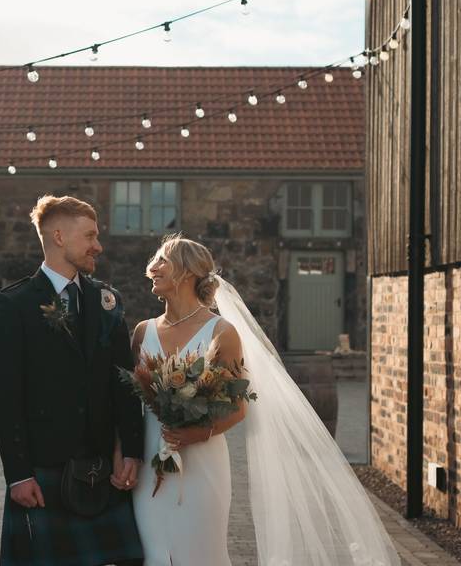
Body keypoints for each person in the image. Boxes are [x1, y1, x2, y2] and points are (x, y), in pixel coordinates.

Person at [131, 234, 400, 566]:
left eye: (162, 260)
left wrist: (195, 434)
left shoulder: (221, 333)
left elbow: (237, 406)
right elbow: (131, 402)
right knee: (154, 553)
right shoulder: (143, 332)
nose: (151, 267)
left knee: (201, 553)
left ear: (186, 273)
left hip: (201, 462)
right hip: (149, 460)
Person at [0, 194, 144, 566]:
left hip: (102, 470)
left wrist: (131, 448)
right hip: (43, 472)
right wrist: (18, 474)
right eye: (90, 236)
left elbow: (124, 381)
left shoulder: (107, 300)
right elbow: (3, 395)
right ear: (58, 236)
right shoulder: (16, 304)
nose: (98, 246)